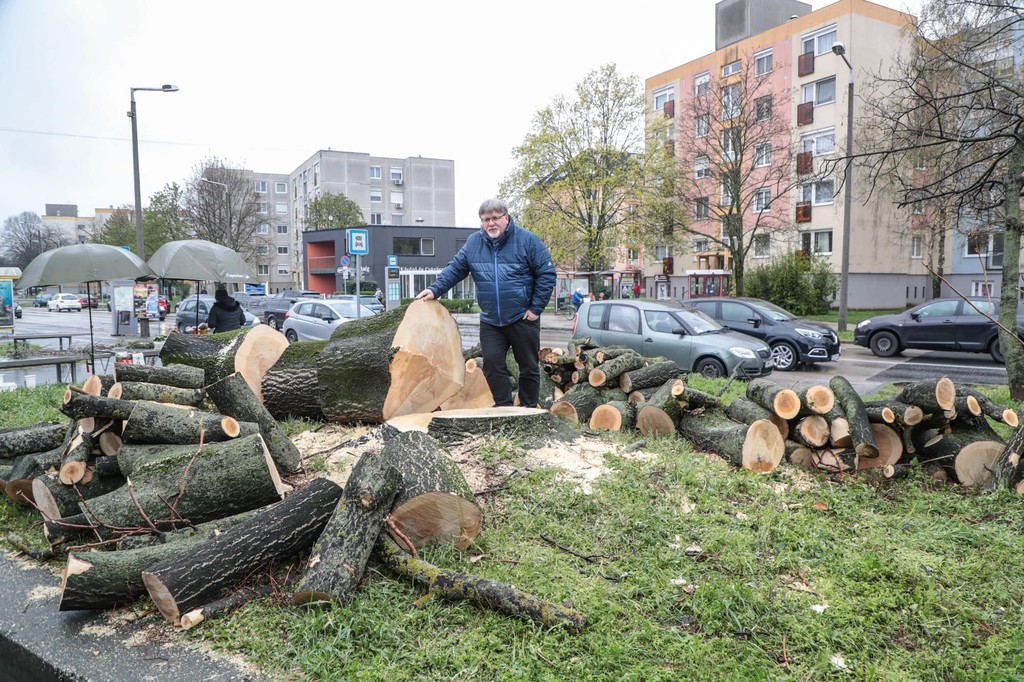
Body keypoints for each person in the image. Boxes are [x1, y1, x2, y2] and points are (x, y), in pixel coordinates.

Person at [416, 199, 556, 408]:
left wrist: (536, 308)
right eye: (485, 220)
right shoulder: (474, 243)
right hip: (491, 320)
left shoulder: (527, 240)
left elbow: (546, 273)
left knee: (528, 366)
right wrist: (435, 289)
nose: (491, 223)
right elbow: (456, 269)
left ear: (506, 218)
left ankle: (528, 409)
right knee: (491, 365)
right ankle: (504, 408)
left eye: (495, 218)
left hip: (522, 317)